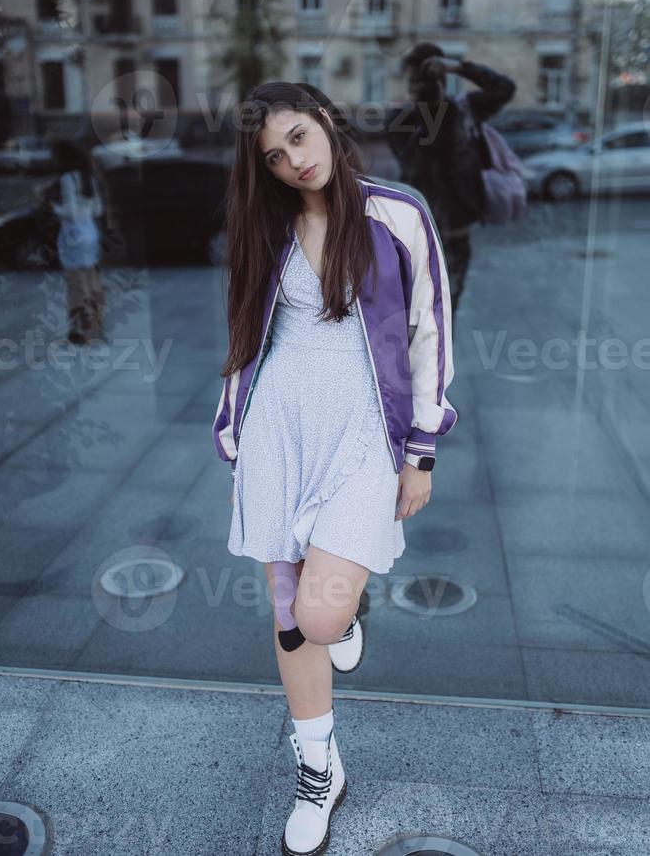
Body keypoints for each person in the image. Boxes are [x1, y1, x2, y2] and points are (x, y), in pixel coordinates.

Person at [212, 82, 457, 856]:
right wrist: (233, 432)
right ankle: (318, 771)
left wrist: (420, 450)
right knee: (289, 617)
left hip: (362, 430)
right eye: (274, 156)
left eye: (298, 137)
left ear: (325, 120)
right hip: (279, 427)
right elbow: (247, 329)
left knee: (319, 616)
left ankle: (346, 612)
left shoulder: (396, 213)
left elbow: (428, 331)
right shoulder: (269, 223)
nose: (293, 161)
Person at [386, 43, 516, 314]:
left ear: (443, 80)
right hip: (415, 240)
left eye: (427, 80)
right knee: (410, 320)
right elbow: (412, 168)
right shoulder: (401, 121)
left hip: (454, 238)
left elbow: (505, 88)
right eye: (415, 81)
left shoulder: (464, 110)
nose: (420, 87)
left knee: (444, 319)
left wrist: (458, 67)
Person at [48, 139, 105, 344]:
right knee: (91, 284)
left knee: (75, 285)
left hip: (73, 238)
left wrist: (53, 207)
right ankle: (95, 330)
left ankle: (79, 331)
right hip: (91, 233)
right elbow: (98, 210)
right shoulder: (89, 178)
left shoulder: (67, 179)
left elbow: (70, 213)